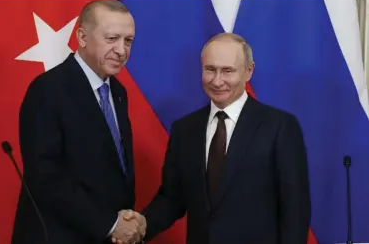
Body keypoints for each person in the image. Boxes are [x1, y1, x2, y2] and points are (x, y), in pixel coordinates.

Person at [120, 33, 311, 244]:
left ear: (249, 72)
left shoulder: (279, 126)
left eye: (227, 71)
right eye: (210, 69)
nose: (217, 80)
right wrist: (143, 224)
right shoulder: (185, 129)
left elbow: (295, 211)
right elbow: (172, 198)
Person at [12, 0, 145, 244]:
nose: (122, 50)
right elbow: (45, 177)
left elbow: (115, 170)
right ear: (82, 38)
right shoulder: (48, 90)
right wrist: (110, 224)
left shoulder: (118, 91)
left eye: (128, 41)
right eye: (112, 38)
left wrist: (125, 221)